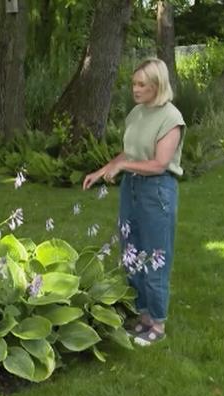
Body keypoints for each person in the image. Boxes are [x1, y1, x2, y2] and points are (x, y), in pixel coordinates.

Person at [82, 58, 185, 346]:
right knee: (132, 252)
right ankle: (143, 316)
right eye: (133, 84)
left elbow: (159, 164)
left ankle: (158, 323)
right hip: (132, 190)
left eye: (141, 84)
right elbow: (128, 153)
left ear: (157, 85)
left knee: (155, 256)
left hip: (157, 192)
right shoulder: (137, 113)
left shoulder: (171, 118)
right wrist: (102, 171)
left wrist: (124, 168)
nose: (135, 89)